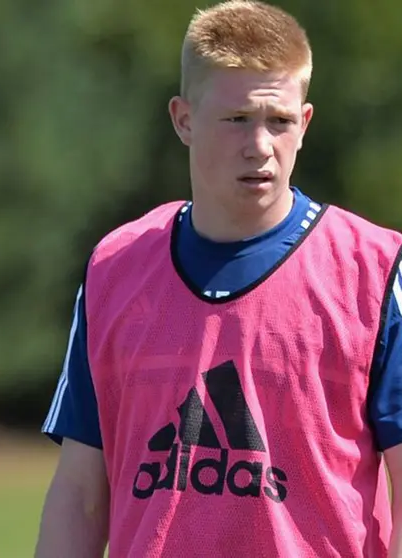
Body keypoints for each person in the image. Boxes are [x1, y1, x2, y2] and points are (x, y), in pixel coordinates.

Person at [35, 1, 402, 556]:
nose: (260, 145)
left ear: (303, 124)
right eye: (237, 119)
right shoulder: (115, 267)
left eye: (278, 121)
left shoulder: (374, 270)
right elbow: (82, 493)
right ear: (183, 119)